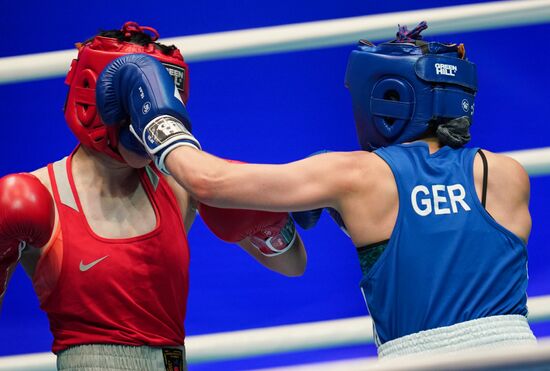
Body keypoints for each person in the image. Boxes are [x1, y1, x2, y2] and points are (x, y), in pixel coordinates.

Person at [105, 21, 537, 358]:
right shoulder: (507, 174)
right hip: (521, 353)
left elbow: (208, 182)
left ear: (387, 96)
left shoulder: (355, 176)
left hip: (419, 358)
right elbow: (447, 240)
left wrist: (155, 116)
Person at [0, 22, 306, 370]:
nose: (149, 117)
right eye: (140, 97)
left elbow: (293, 265)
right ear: (97, 96)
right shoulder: (38, 196)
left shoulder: (183, 184)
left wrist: (269, 224)